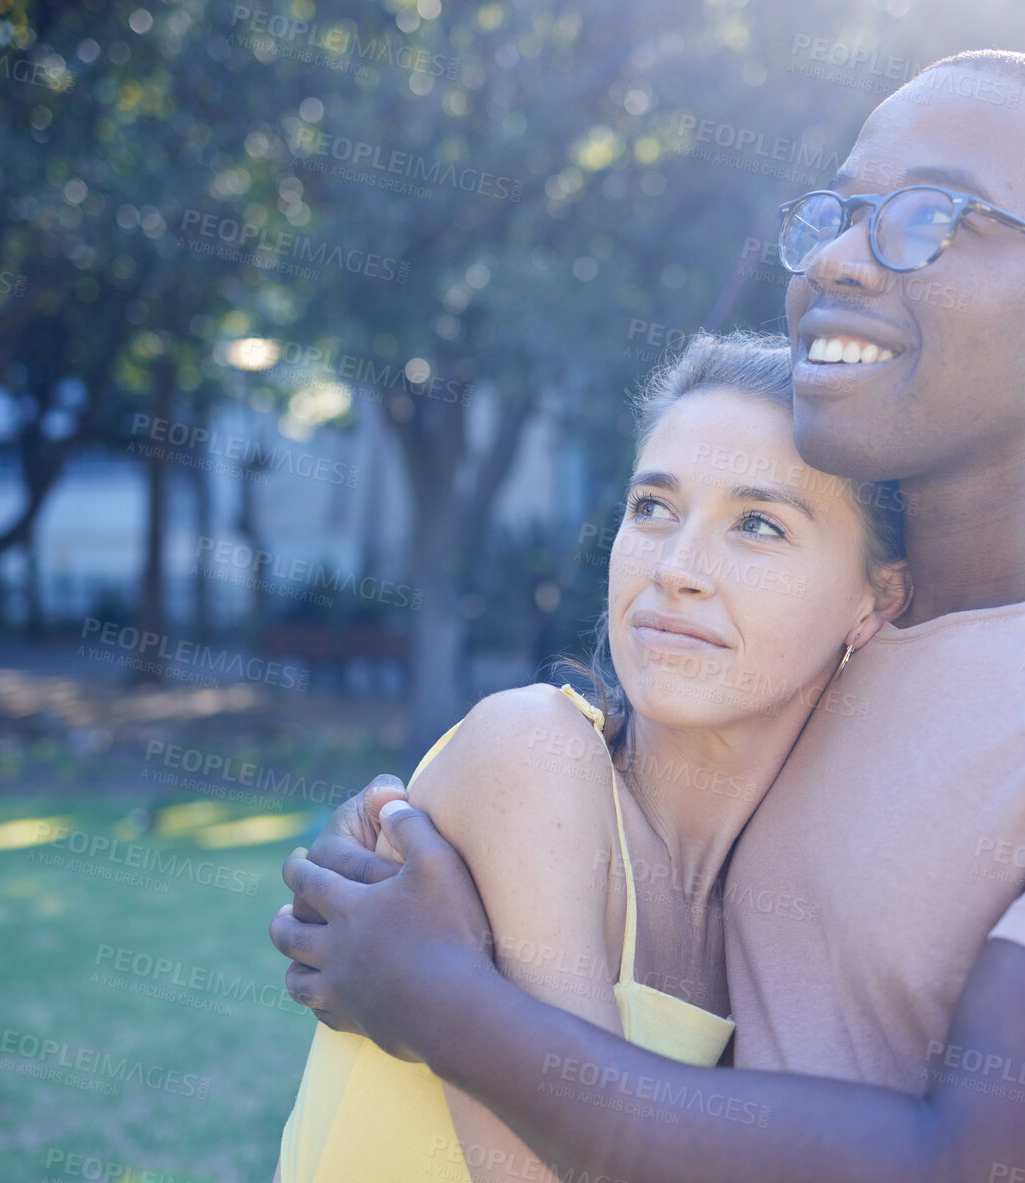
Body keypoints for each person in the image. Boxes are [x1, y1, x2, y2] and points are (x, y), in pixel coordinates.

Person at [272, 49, 1025, 1183]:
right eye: (836, 209)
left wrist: (442, 1002)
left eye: (937, 214)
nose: (839, 257)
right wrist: (428, 835)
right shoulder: (811, 655)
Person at [273, 330, 910, 1182]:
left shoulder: (783, 905)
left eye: (757, 524)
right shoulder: (533, 752)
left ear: (877, 600)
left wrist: (444, 996)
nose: (675, 567)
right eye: (653, 507)